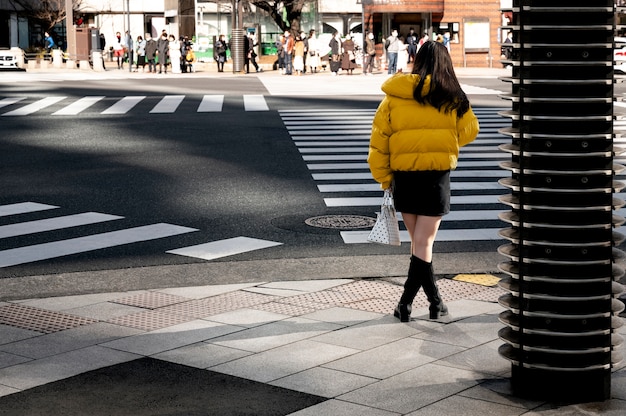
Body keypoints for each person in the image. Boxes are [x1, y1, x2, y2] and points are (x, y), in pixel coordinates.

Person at [367, 41, 480, 322]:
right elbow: (469, 132)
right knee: (424, 243)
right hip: (435, 177)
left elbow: (378, 143)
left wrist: (385, 179)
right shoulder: (452, 97)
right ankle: (406, 303)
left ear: (416, 60)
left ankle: (435, 302)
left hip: (404, 177)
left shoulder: (394, 96)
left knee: (418, 243)